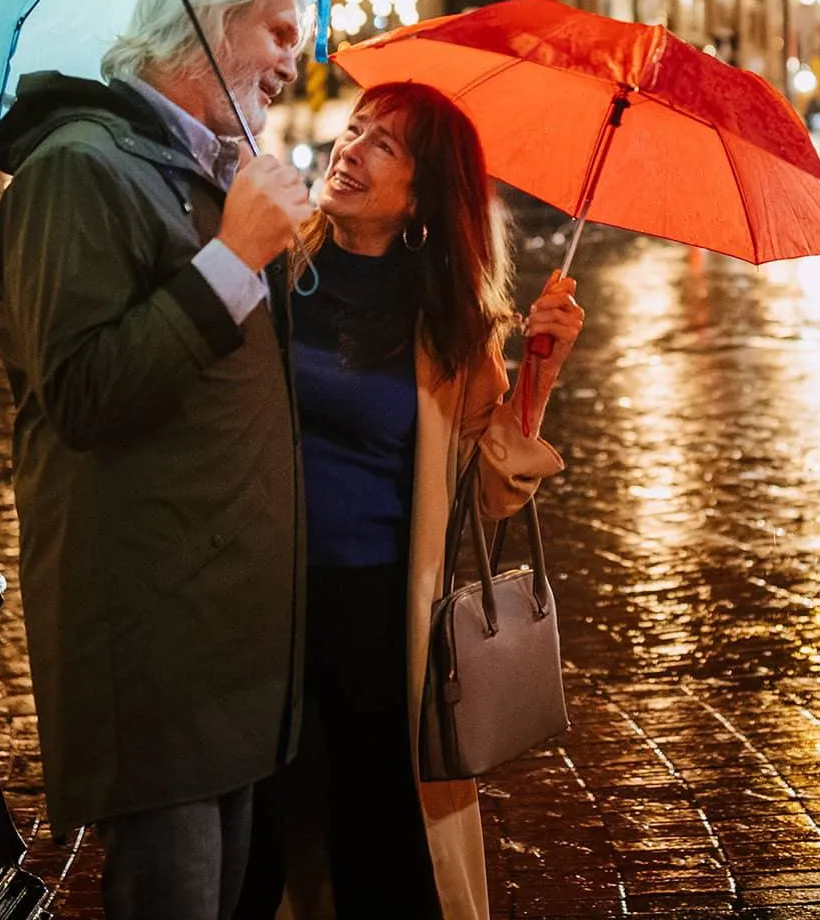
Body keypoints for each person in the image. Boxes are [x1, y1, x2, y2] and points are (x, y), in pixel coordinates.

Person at [0, 0, 316, 920]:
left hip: (227, 640)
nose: (297, 56)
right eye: (280, 30)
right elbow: (83, 390)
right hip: (154, 639)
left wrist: (271, 249)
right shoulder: (76, 171)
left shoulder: (200, 170)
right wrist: (232, 258)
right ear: (206, 27)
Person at [242, 82, 582, 920]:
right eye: (353, 130)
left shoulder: (453, 323)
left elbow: (492, 494)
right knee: (258, 849)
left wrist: (537, 369)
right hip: (258, 611)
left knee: (380, 856)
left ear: (423, 193)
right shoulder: (274, 269)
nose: (348, 149)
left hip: (380, 623)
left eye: (382, 144)